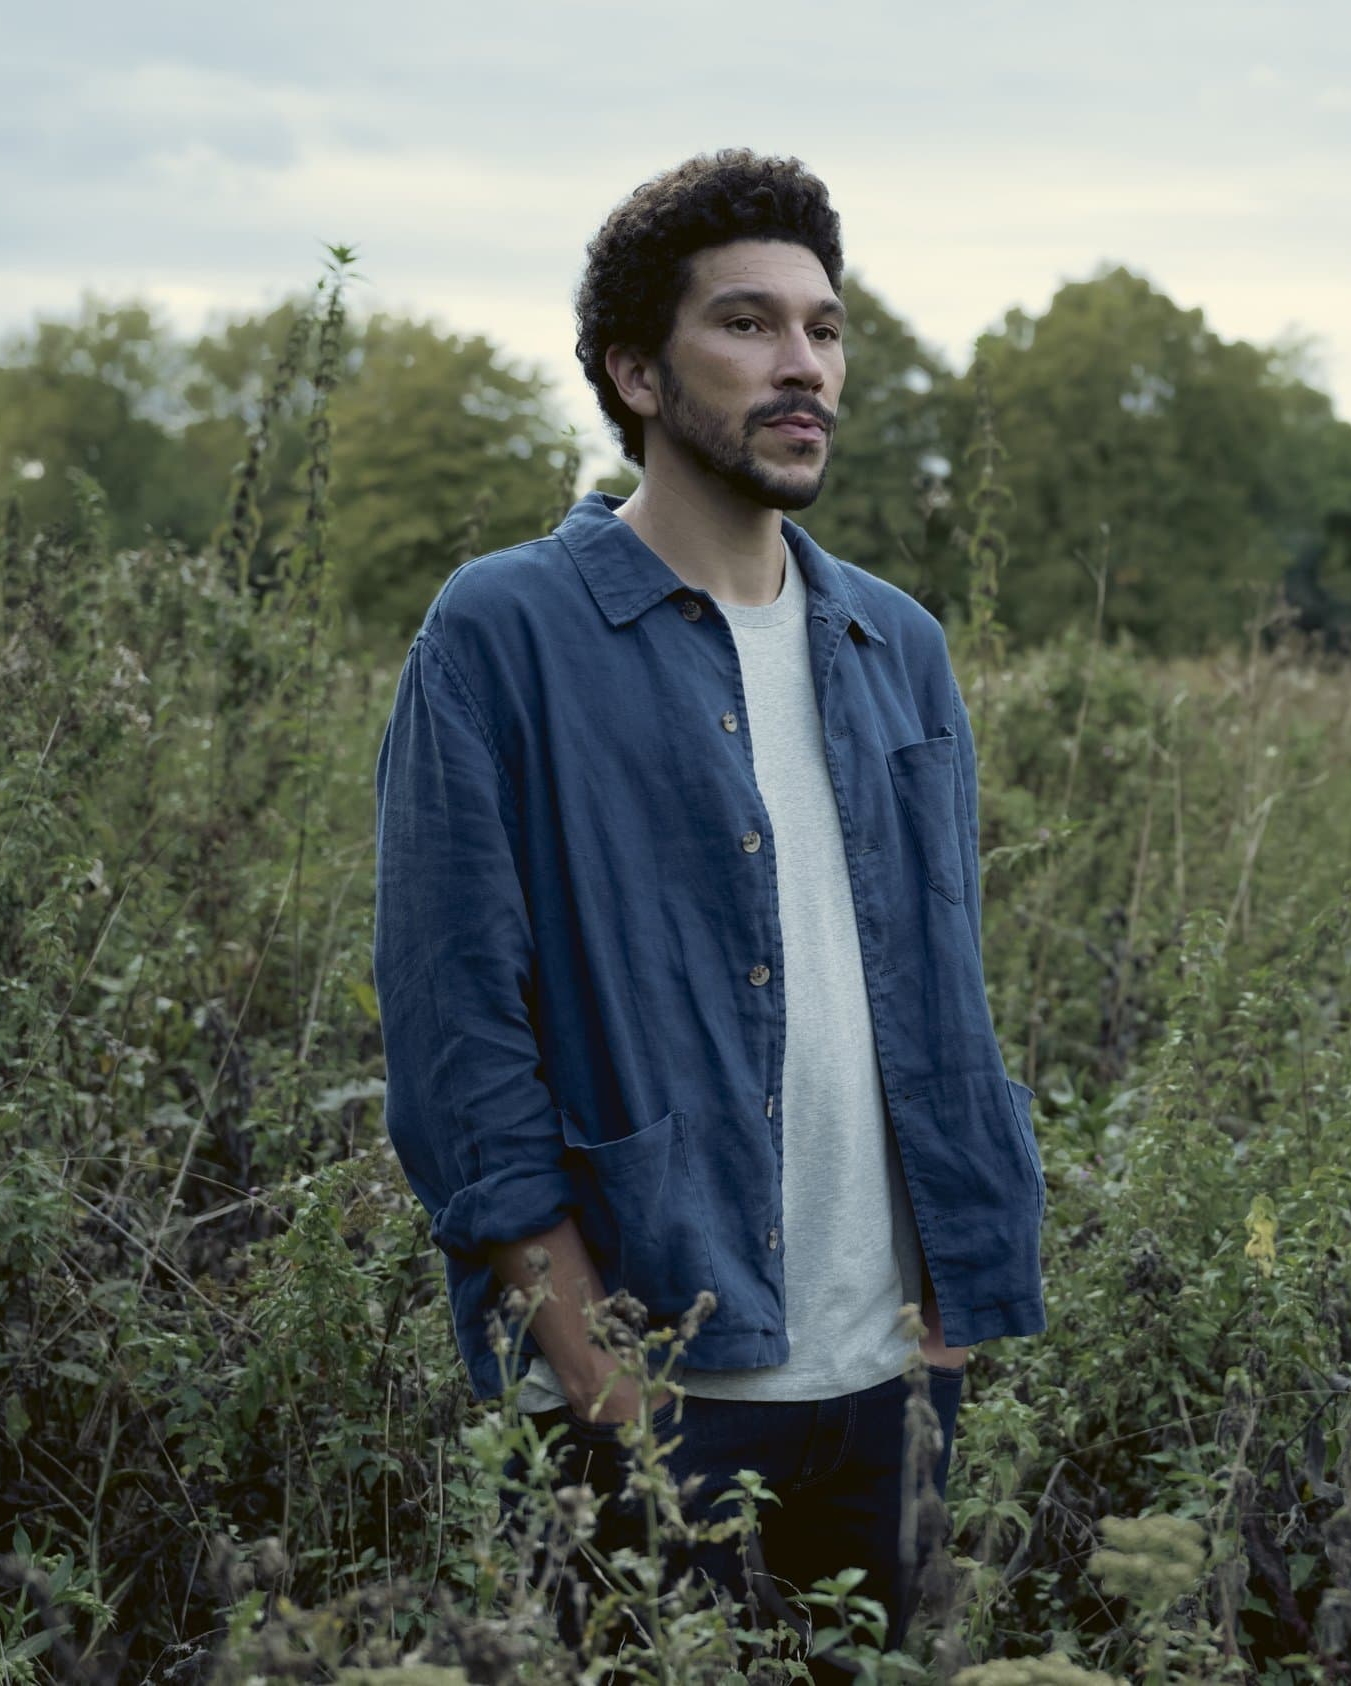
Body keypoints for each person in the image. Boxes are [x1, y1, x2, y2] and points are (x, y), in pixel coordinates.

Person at [369, 149, 1047, 1674]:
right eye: (747, 324)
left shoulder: (898, 644)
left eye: (825, 327)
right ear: (635, 371)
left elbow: (944, 988)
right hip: (655, 1390)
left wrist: (950, 1317)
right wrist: (595, 1367)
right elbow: (457, 1031)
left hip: (893, 1382)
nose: (804, 363)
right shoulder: (505, 632)